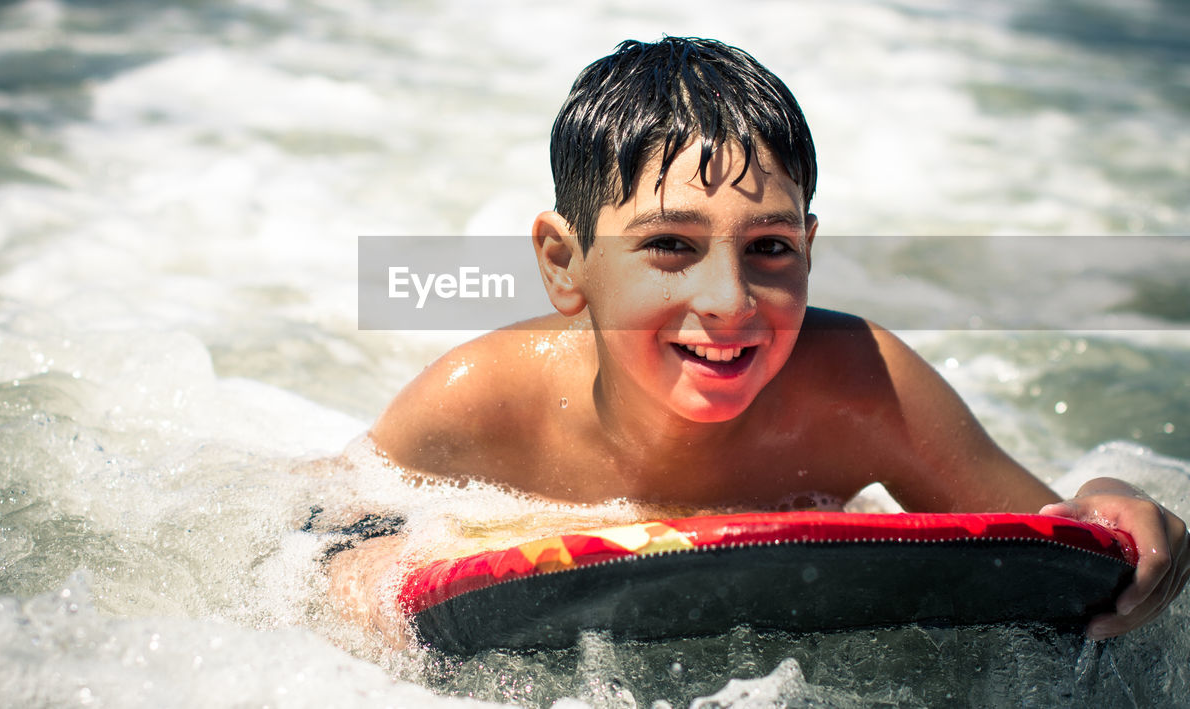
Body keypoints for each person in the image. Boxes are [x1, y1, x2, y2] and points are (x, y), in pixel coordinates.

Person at [368, 36, 1187, 639]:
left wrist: (1123, 509)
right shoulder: (480, 401)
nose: (729, 300)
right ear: (563, 261)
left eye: (770, 247)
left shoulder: (864, 387)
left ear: (810, 247)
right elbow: (318, 535)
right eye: (670, 246)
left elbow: (1046, 539)